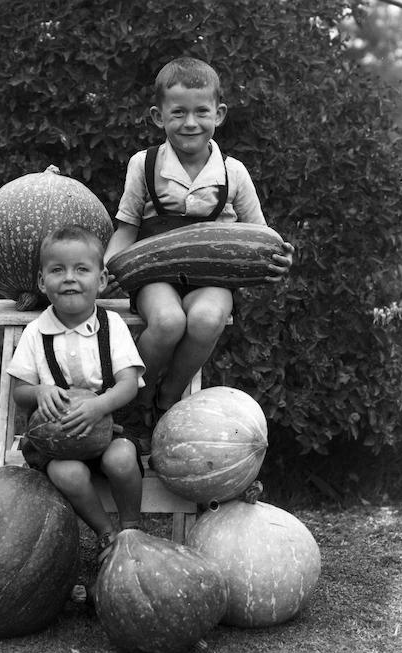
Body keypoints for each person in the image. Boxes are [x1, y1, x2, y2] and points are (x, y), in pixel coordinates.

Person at [104, 56, 294, 433]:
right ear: (159, 117)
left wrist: (279, 259)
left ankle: (168, 397)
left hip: (213, 276)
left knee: (207, 319)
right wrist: (109, 268)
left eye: (201, 112)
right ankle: (134, 401)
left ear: (218, 114)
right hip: (155, 274)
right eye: (178, 113)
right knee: (168, 321)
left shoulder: (232, 171)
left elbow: (260, 235)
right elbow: (126, 229)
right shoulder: (144, 164)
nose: (190, 123)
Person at [7, 225, 146, 572]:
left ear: (100, 281)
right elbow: (19, 392)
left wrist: (99, 405)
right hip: (55, 442)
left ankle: (132, 529)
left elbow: (129, 384)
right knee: (68, 474)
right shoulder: (35, 332)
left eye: (81, 269)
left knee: (123, 458)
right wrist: (40, 391)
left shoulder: (111, 325)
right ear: (42, 282)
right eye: (58, 270)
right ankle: (105, 532)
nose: (70, 278)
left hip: (106, 428)